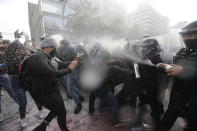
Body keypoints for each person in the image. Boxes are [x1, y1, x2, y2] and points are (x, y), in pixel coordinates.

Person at [19, 37, 78, 131]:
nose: (57, 50)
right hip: (42, 92)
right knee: (61, 110)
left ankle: (42, 126)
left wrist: (72, 62)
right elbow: (51, 74)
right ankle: (61, 129)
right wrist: (69, 69)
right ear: (48, 47)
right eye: (55, 48)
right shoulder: (36, 58)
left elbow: (61, 64)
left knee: (59, 109)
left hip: (51, 89)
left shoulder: (48, 57)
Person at [159, 20, 197, 131]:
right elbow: (174, 68)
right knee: (171, 112)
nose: (187, 38)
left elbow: (182, 69)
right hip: (179, 88)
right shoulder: (181, 52)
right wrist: (165, 68)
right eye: (185, 35)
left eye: (190, 34)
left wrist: (184, 70)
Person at [57, 39, 84, 114]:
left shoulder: (69, 49)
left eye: (60, 44)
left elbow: (67, 60)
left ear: (63, 44)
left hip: (71, 71)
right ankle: (80, 97)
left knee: (70, 91)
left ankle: (79, 105)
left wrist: (59, 59)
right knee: (72, 87)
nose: (59, 45)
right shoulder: (65, 49)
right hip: (68, 71)